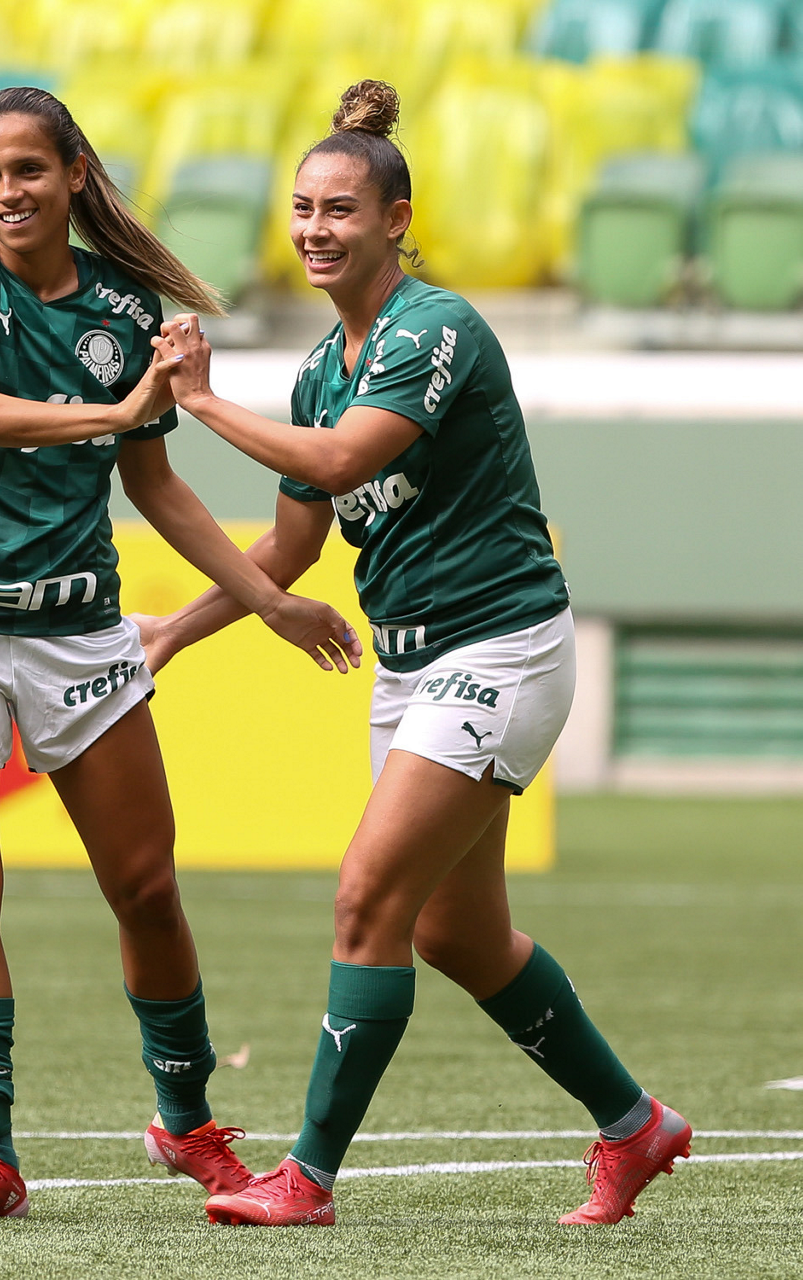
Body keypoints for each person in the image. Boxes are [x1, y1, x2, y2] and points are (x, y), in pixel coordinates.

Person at [137, 80, 691, 1228]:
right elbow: (292, 545)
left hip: (501, 647)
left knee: (366, 897)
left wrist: (200, 400)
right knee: (455, 932)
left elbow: (342, 463)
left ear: (395, 220)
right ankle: (635, 1124)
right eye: (302, 208)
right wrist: (174, 634)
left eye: (340, 208)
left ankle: (306, 1176)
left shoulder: (433, 329)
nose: (315, 228)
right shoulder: (319, 371)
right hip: (411, 666)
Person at [0, 85, 361, 1220]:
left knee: (145, 887)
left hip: (77, 631)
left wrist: (267, 600)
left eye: (27, 170)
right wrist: (114, 409)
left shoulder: (124, 308)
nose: (6, 193)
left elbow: (157, 487)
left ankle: (185, 1122)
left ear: (75, 175)